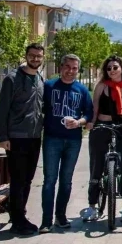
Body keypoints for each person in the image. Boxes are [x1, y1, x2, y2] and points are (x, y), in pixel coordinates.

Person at [39, 54, 93, 233]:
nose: (70, 71)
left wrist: (79, 122)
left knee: (66, 181)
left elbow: (89, 114)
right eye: (67, 67)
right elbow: (40, 109)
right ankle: (46, 221)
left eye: (74, 68)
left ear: (78, 70)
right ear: (60, 67)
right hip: (52, 139)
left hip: (73, 140)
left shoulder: (82, 90)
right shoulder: (49, 86)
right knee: (49, 180)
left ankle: (60, 216)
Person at [0, 43, 46, 235]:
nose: (35, 59)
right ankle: (18, 222)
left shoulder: (40, 78)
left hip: (34, 137)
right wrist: (3, 136)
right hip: (16, 137)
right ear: (26, 55)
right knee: (18, 179)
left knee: (28, 179)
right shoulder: (12, 79)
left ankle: (19, 214)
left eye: (39, 56)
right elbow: (2, 109)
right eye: (32, 55)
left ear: (42, 58)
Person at [85, 55, 122, 223]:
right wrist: (91, 123)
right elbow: (95, 109)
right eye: (109, 68)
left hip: (121, 127)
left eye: (115, 67)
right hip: (102, 126)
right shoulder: (101, 86)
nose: (112, 71)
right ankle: (92, 206)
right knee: (96, 166)